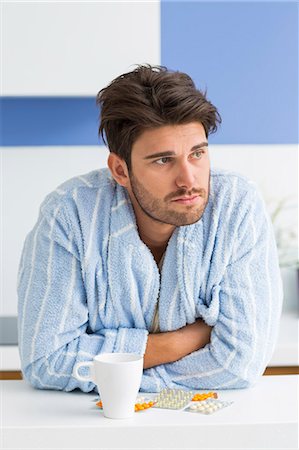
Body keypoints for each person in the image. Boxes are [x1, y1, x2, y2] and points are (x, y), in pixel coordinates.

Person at [17, 65, 282, 393]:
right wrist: (186, 340)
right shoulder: (70, 214)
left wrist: (121, 378)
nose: (189, 180)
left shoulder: (236, 206)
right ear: (120, 170)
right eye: (163, 160)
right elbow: (46, 360)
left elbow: (239, 364)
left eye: (197, 154)